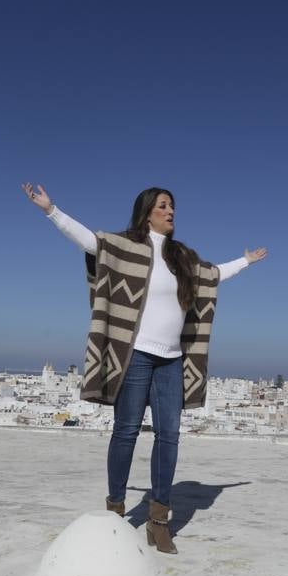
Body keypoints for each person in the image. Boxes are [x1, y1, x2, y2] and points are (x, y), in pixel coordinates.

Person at [21, 182, 267, 554]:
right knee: (126, 432)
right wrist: (51, 210)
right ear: (147, 211)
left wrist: (245, 261)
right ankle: (115, 512)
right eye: (164, 206)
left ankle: (158, 521)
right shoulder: (127, 246)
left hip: (171, 360)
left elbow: (213, 275)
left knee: (169, 437)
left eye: (173, 207)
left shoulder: (182, 257)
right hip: (135, 355)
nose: (171, 212)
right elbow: (91, 242)